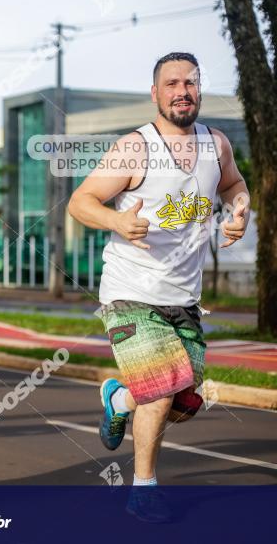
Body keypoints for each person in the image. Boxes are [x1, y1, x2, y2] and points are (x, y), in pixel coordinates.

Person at [68, 52, 250, 521]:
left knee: (186, 401)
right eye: (171, 84)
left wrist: (239, 210)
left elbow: (233, 185)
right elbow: (80, 201)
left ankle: (119, 397)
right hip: (130, 290)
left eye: (189, 83)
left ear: (199, 91)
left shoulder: (217, 144)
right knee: (162, 389)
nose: (181, 92)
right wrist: (115, 220)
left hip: (184, 297)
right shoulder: (136, 147)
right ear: (156, 93)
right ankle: (143, 489)